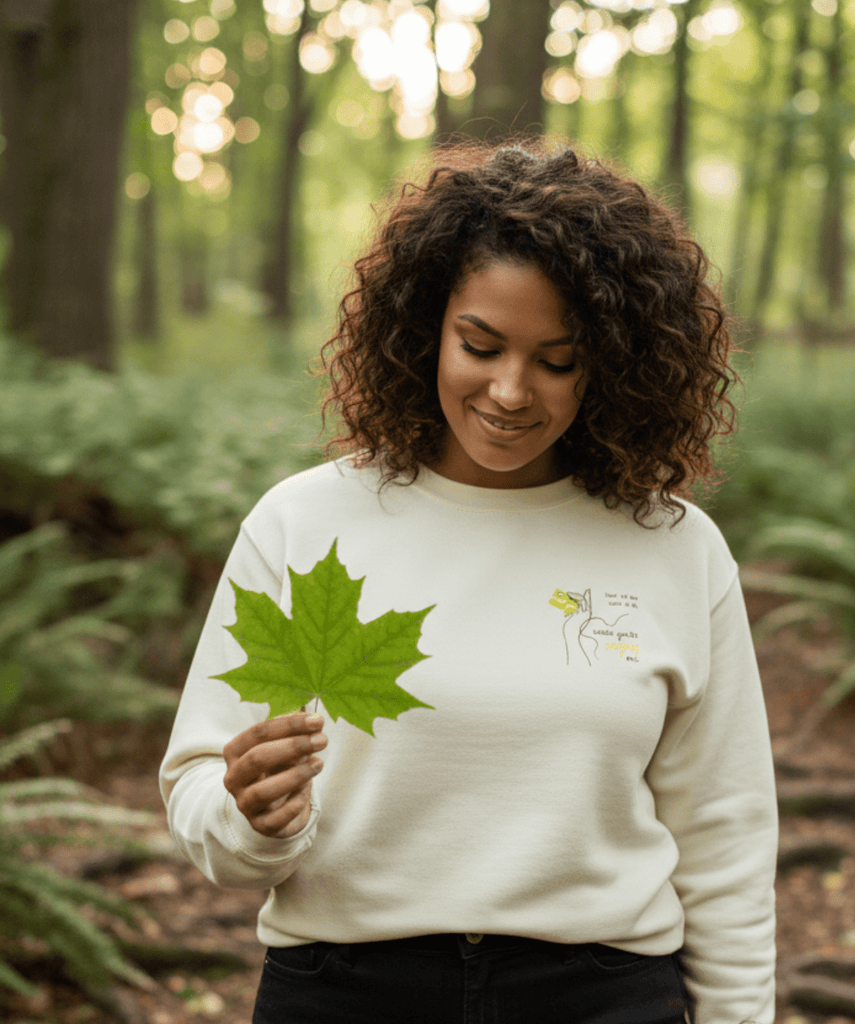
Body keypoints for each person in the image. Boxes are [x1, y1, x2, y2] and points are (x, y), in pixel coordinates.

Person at [159, 139, 778, 1024]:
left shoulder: (675, 547)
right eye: (479, 345)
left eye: (557, 360)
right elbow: (198, 794)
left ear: (614, 359)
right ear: (425, 325)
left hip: (601, 996)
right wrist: (254, 820)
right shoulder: (305, 525)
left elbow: (725, 836)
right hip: (344, 992)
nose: (511, 390)